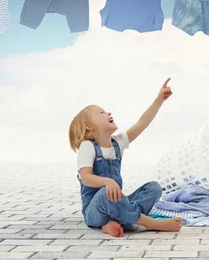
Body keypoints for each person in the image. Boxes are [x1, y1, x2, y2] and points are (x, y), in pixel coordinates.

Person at [68, 78, 183, 237]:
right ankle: (151, 223)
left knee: (153, 188)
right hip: (94, 211)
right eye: (101, 112)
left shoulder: (118, 143)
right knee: (104, 194)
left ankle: (114, 223)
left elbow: (142, 123)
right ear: (88, 126)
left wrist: (159, 100)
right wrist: (107, 181)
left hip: (115, 205)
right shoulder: (88, 146)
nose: (108, 113)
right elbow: (86, 177)